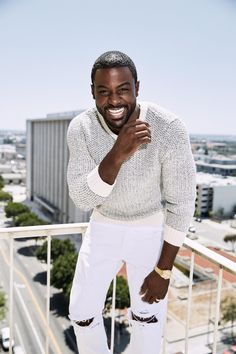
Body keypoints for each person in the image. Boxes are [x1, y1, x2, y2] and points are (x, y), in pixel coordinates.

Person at [67, 50, 196, 354]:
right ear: (92, 93)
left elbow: (182, 203)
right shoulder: (81, 128)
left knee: (147, 316)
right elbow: (82, 198)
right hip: (102, 225)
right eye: (104, 92)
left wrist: (164, 271)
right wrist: (118, 153)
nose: (113, 101)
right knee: (81, 314)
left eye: (123, 89)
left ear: (137, 87)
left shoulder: (169, 127)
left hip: (150, 229)